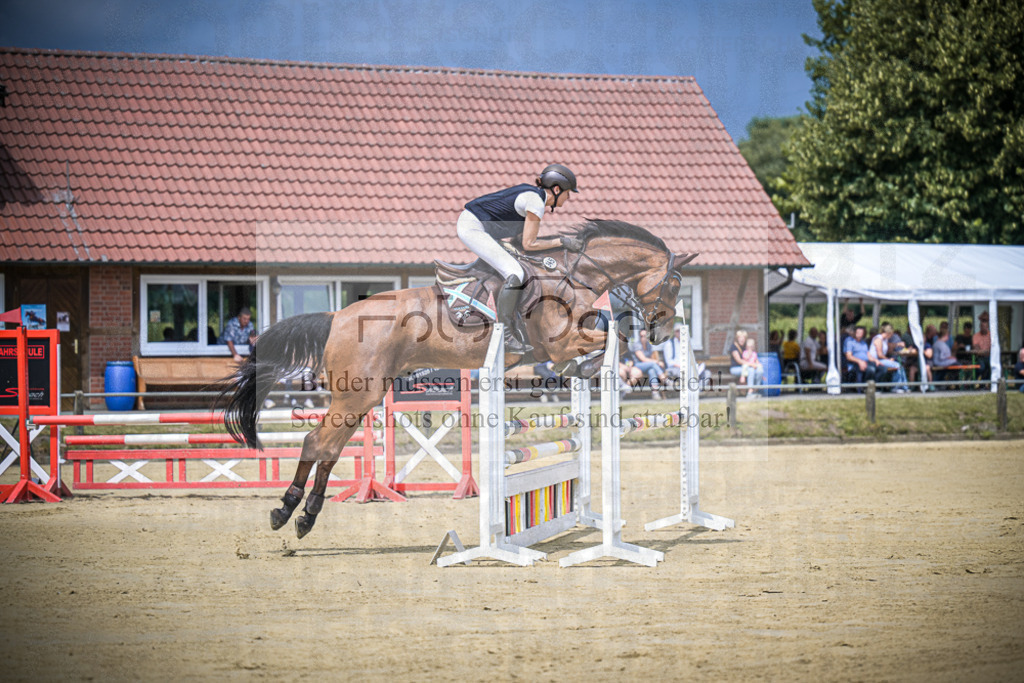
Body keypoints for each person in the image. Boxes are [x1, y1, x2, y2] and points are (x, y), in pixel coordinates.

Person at [457, 163, 579, 354]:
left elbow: (523, 242)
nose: (569, 197)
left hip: (480, 228)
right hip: (473, 228)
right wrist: (562, 242)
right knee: (516, 272)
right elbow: (529, 244)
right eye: (568, 192)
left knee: (518, 264)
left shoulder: (533, 197)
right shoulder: (536, 203)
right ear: (556, 189)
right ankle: (505, 334)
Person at [868, 323, 909, 392]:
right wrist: (888, 359)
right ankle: (895, 387)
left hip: (881, 359)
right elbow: (879, 354)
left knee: (900, 365)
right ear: (888, 333)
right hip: (875, 360)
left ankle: (905, 387)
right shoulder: (878, 339)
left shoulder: (885, 339)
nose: (892, 336)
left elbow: (889, 345)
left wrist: (898, 344)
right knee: (897, 365)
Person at [629, 329, 667, 400]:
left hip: (648, 366)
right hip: (638, 365)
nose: (643, 338)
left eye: (645, 336)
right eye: (641, 336)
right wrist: (657, 362)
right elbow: (643, 359)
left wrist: (655, 362)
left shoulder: (649, 345)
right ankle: (664, 379)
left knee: (652, 370)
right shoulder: (636, 345)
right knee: (653, 365)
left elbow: (651, 358)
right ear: (639, 337)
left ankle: (655, 393)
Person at [729, 329, 763, 396]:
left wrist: (757, 363)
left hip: (747, 366)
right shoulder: (733, 347)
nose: (742, 339)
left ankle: (756, 389)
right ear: (737, 338)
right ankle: (750, 392)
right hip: (736, 368)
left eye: (743, 338)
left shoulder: (745, 347)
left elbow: (753, 355)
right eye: (740, 337)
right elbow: (739, 360)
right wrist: (752, 364)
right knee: (751, 370)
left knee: (759, 371)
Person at [972, 312, 992, 380]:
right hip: (980, 357)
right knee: (981, 367)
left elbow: (993, 349)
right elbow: (977, 351)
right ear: (979, 326)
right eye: (981, 326)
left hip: (990, 357)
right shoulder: (976, 336)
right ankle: (977, 381)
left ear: (988, 326)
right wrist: (986, 351)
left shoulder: (992, 336)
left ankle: (986, 383)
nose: (983, 328)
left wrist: (984, 351)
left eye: (984, 326)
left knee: (992, 365)